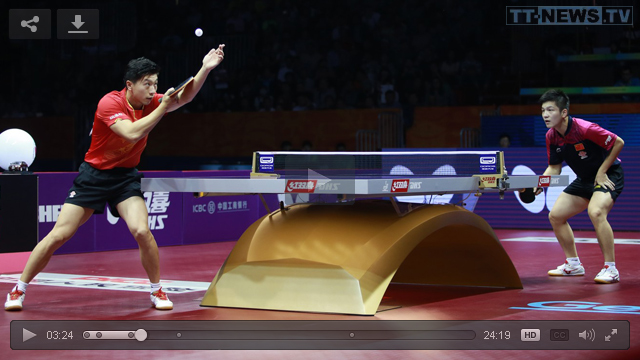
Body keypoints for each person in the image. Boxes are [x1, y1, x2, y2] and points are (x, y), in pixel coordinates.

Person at [5, 45, 226, 311]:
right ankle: (19, 288)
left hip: (125, 178)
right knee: (59, 235)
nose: (153, 90)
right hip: (94, 176)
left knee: (142, 231)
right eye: (147, 85)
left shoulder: (152, 102)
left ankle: (157, 290)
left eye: (155, 84)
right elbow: (132, 133)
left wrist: (205, 68)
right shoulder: (110, 103)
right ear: (129, 85)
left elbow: (185, 97)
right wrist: (163, 106)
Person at [537, 89, 624, 284]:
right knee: (556, 215)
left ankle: (611, 268)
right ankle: (573, 264)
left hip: (609, 175)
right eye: (543, 110)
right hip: (585, 179)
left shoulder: (585, 128)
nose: (545, 115)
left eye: (550, 110)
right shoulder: (552, 136)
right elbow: (554, 168)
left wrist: (601, 172)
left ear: (564, 112)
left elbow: (618, 142)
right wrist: (539, 184)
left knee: (596, 212)